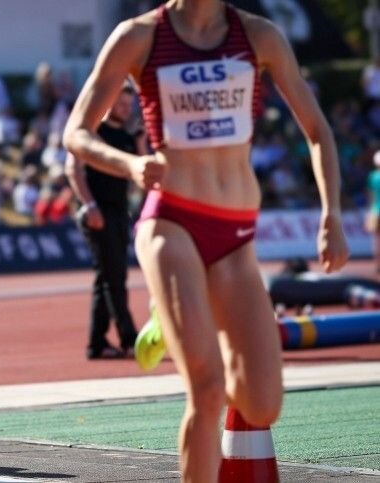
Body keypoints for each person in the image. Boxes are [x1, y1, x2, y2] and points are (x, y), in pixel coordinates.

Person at [62, 1, 349, 481]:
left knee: (263, 402)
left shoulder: (259, 36)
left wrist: (332, 213)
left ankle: (178, 313)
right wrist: (130, 165)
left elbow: (318, 130)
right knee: (208, 388)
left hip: (235, 233)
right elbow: (76, 132)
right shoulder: (139, 37)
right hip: (171, 221)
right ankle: (179, 306)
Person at [66, 86, 141, 359]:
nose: (125, 109)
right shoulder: (93, 132)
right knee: (114, 277)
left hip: (120, 212)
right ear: (109, 103)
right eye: (120, 104)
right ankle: (129, 338)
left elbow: (138, 176)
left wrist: (141, 142)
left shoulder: (128, 137)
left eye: (128, 105)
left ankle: (96, 342)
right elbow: (73, 169)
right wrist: (89, 205)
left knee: (107, 277)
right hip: (98, 212)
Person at [366, 151, 380, 273]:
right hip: (376, 209)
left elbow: (370, 195)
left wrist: (370, 210)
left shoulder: (373, 176)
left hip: (375, 210)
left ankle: (377, 264)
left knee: (376, 239)